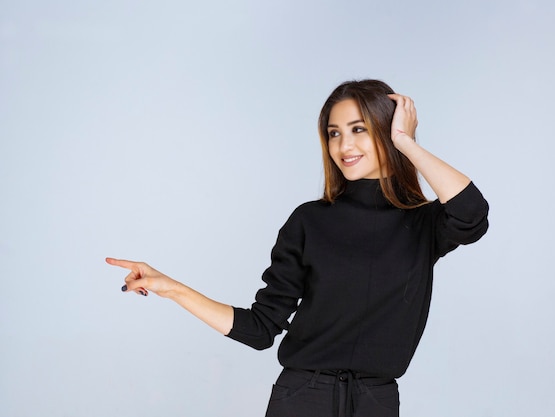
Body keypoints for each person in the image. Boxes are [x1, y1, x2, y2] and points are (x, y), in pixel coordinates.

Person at [106, 79, 489, 417]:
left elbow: (472, 214)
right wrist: (170, 287)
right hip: (303, 398)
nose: (344, 144)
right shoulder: (310, 221)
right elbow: (260, 329)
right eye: (334, 133)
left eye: (359, 129)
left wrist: (405, 143)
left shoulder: (422, 224)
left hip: (376, 401)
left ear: (387, 131)